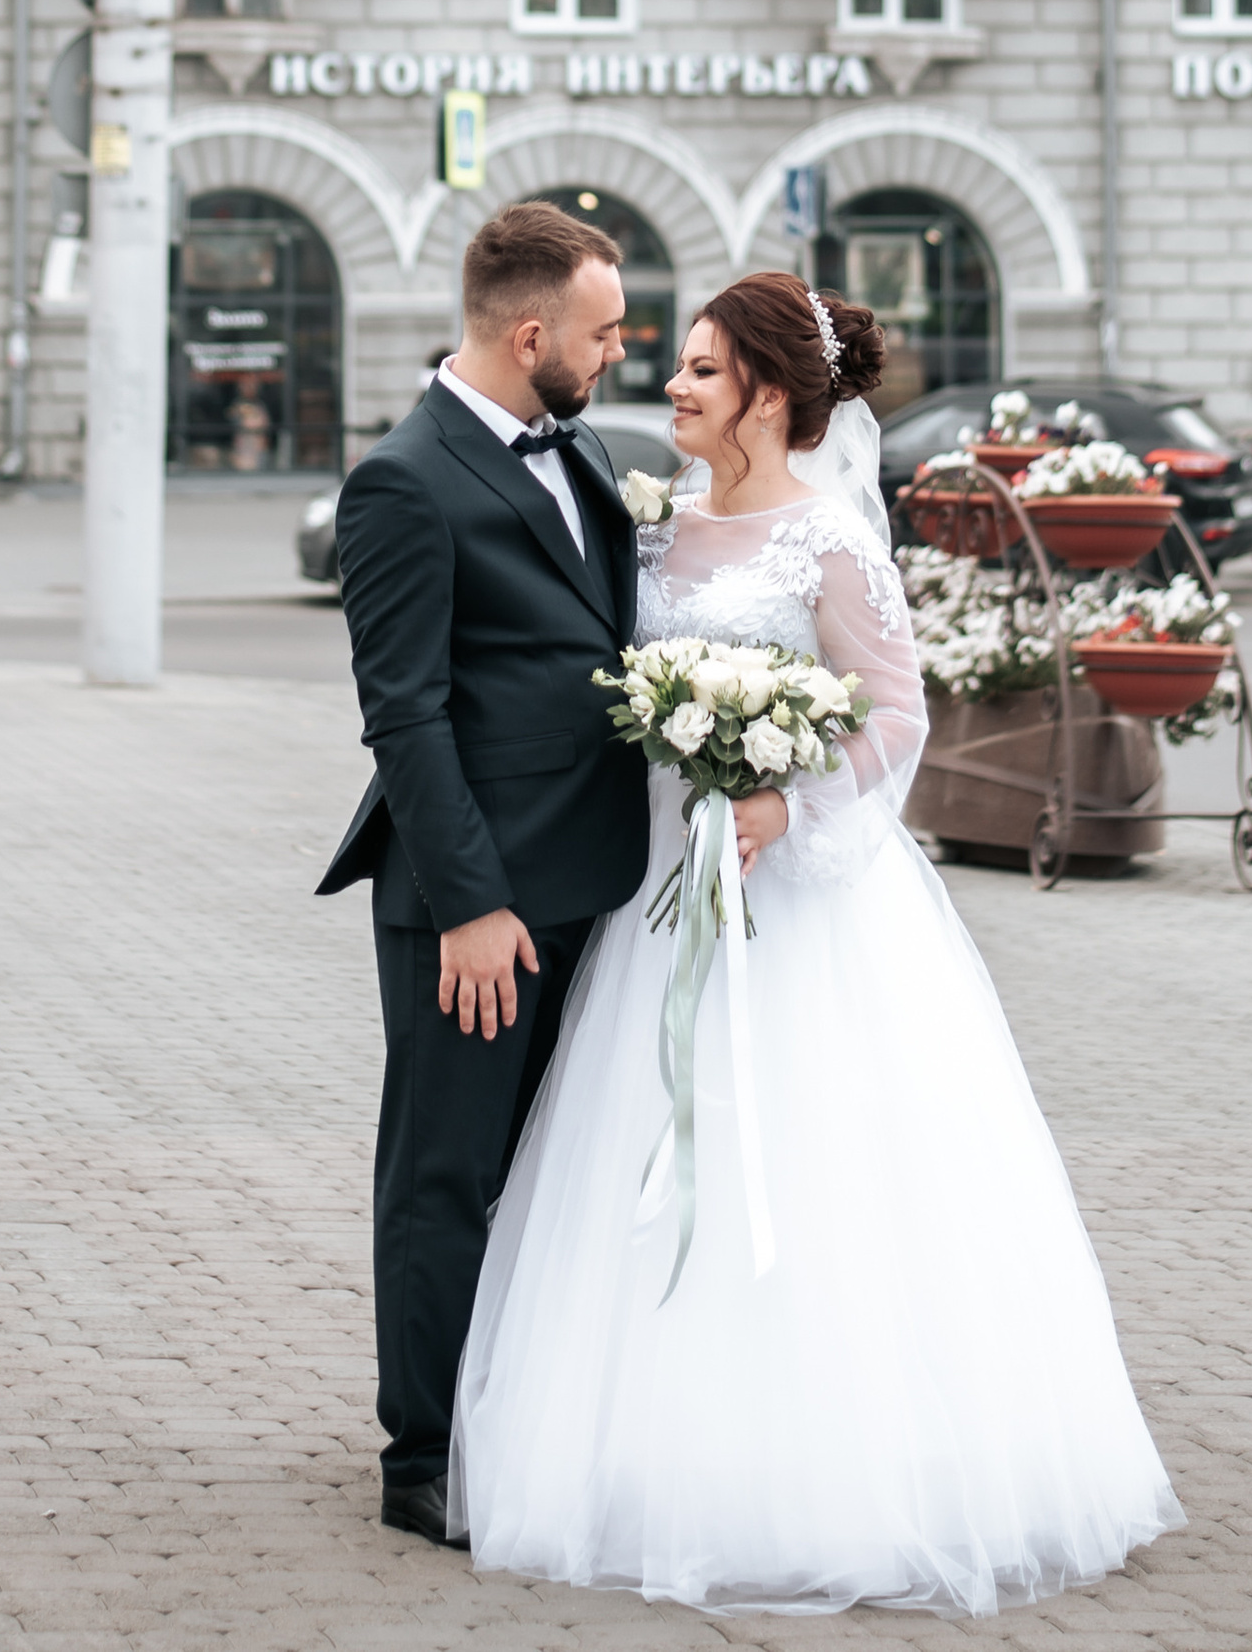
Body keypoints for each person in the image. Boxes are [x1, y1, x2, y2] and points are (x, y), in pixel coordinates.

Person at [451, 269, 1184, 1616]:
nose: (673, 384)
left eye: (703, 368)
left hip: (802, 905)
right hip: (663, 892)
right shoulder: (658, 530)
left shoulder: (830, 541)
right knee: (655, 1144)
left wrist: (783, 800)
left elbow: (896, 714)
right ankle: (659, 1450)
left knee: (814, 1162)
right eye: (678, 363)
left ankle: (835, 1465)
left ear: (772, 394)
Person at [318, 197, 648, 1548]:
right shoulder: (404, 480)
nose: (619, 352)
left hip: (590, 879)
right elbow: (404, 714)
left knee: (547, 1171)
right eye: (603, 331)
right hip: (475, 904)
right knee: (445, 1173)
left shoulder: (589, 451)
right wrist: (470, 904)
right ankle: (425, 1456)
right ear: (530, 335)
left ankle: (517, 1417)